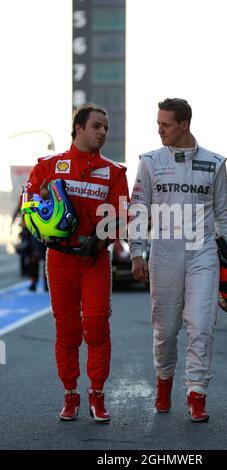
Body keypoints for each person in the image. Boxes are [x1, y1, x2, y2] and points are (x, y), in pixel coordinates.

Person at [128, 98, 227, 422]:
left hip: (202, 253)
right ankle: (164, 380)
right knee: (165, 331)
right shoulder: (150, 161)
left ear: (184, 125)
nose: (159, 129)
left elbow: (225, 214)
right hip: (164, 253)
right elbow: (139, 208)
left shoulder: (214, 162)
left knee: (201, 325)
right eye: (158, 123)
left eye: (165, 124)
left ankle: (197, 393)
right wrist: (137, 251)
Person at [25, 103, 129, 422]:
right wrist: (40, 208)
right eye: (97, 126)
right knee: (68, 331)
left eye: (106, 128)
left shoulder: (115, 172)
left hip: (95, 260)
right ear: (78, 129)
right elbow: (29, 207)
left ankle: (97, 394)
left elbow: (123, 215)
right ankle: (70, 394)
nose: (103, 132)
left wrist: (100, 240)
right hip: (59, 260)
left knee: (97, 327)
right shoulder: (47, 166)